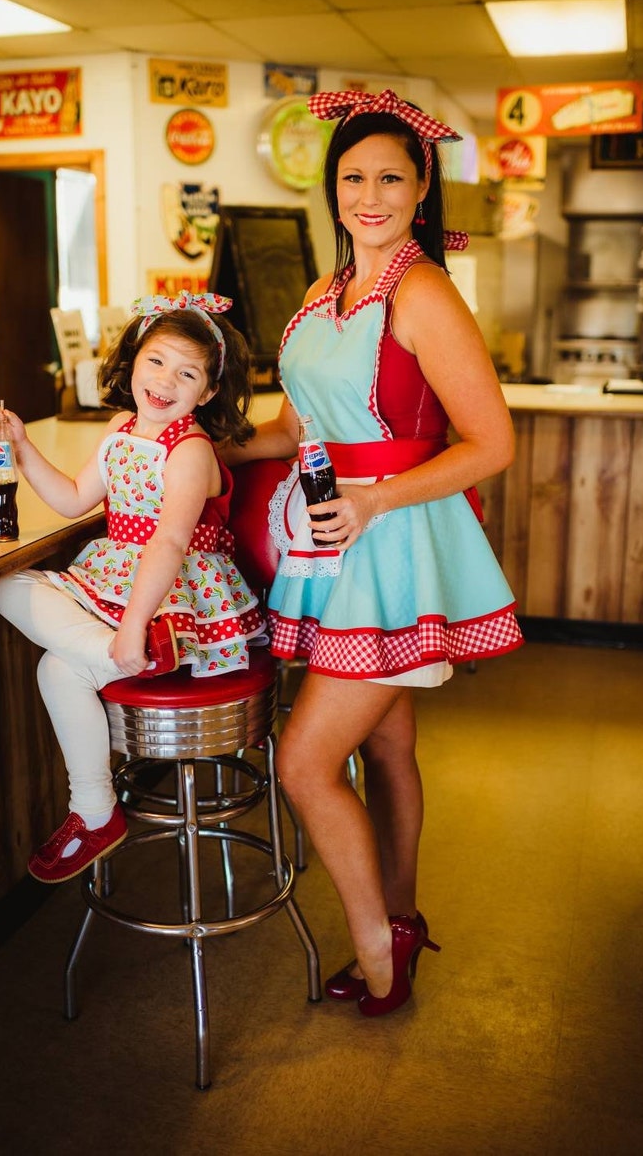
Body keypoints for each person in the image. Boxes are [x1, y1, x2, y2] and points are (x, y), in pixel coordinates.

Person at [220, 89, 524, 1017]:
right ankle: (401, 913)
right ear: (333, 186)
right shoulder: (322, 292)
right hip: (329, 540)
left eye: (391, 175)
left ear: (422, 183)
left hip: (392, 540)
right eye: (354, 176)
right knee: (387, 747)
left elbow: (492, 442)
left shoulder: (424, 289)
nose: (371, 194)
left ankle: (378, 951)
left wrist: (378, 496)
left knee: (306, 760)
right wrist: (202, 446)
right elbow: (295, 425)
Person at [0, 292, 266, 884]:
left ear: (208, 392)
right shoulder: (120, 427)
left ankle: (93, 805)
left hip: (172, 596)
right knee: (9, 593)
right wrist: (22, 445)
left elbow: (167, 544)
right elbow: (70, 499)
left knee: (55, 669)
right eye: (156, 362)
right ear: (134, 360)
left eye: (187, 373)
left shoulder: (190, 450)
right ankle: (121, 681)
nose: (166, 381)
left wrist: (136, 621)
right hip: (119, 586)